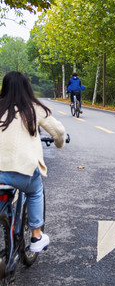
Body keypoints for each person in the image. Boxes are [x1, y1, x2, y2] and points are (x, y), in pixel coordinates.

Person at [0, 71, 66, 252]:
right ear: (27, 88)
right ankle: (36, 236)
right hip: (23, 171)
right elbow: (59, 133)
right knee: (36, 190)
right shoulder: (34, 108)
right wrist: (59, 144)